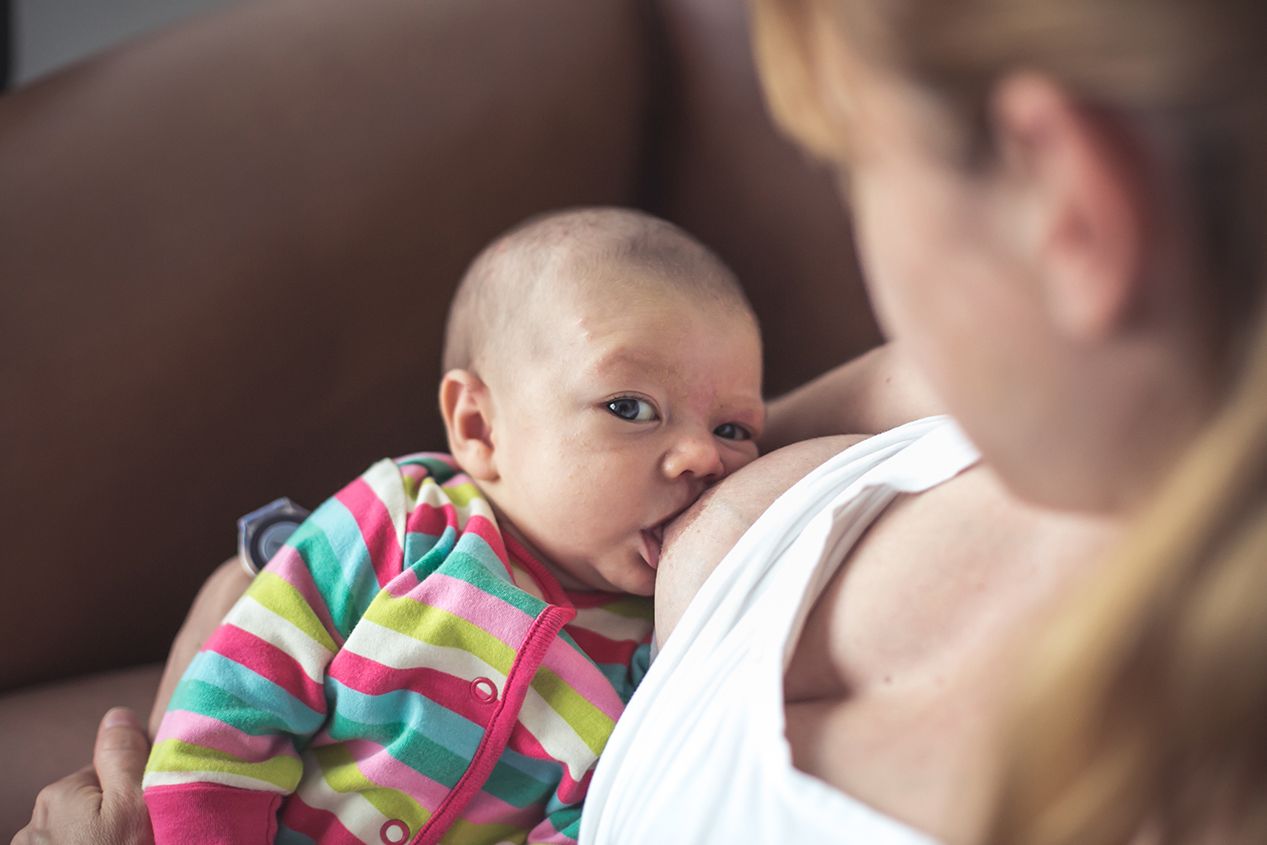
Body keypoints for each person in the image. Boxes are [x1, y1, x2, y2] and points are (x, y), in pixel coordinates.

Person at [21, 0, 1267, 842]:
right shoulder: (1014, 386)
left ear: (1069, 214)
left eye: (854, 165)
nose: (705, 454)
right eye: (643, 413)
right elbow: (297, 586)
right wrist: (228, 633)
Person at [139, 207, 765, 844]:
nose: (704, 458)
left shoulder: (663, 640)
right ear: (478, 428)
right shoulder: (396, 520)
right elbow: (227, 714)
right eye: (630, 408)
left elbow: (598, 821)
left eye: (734, 429)